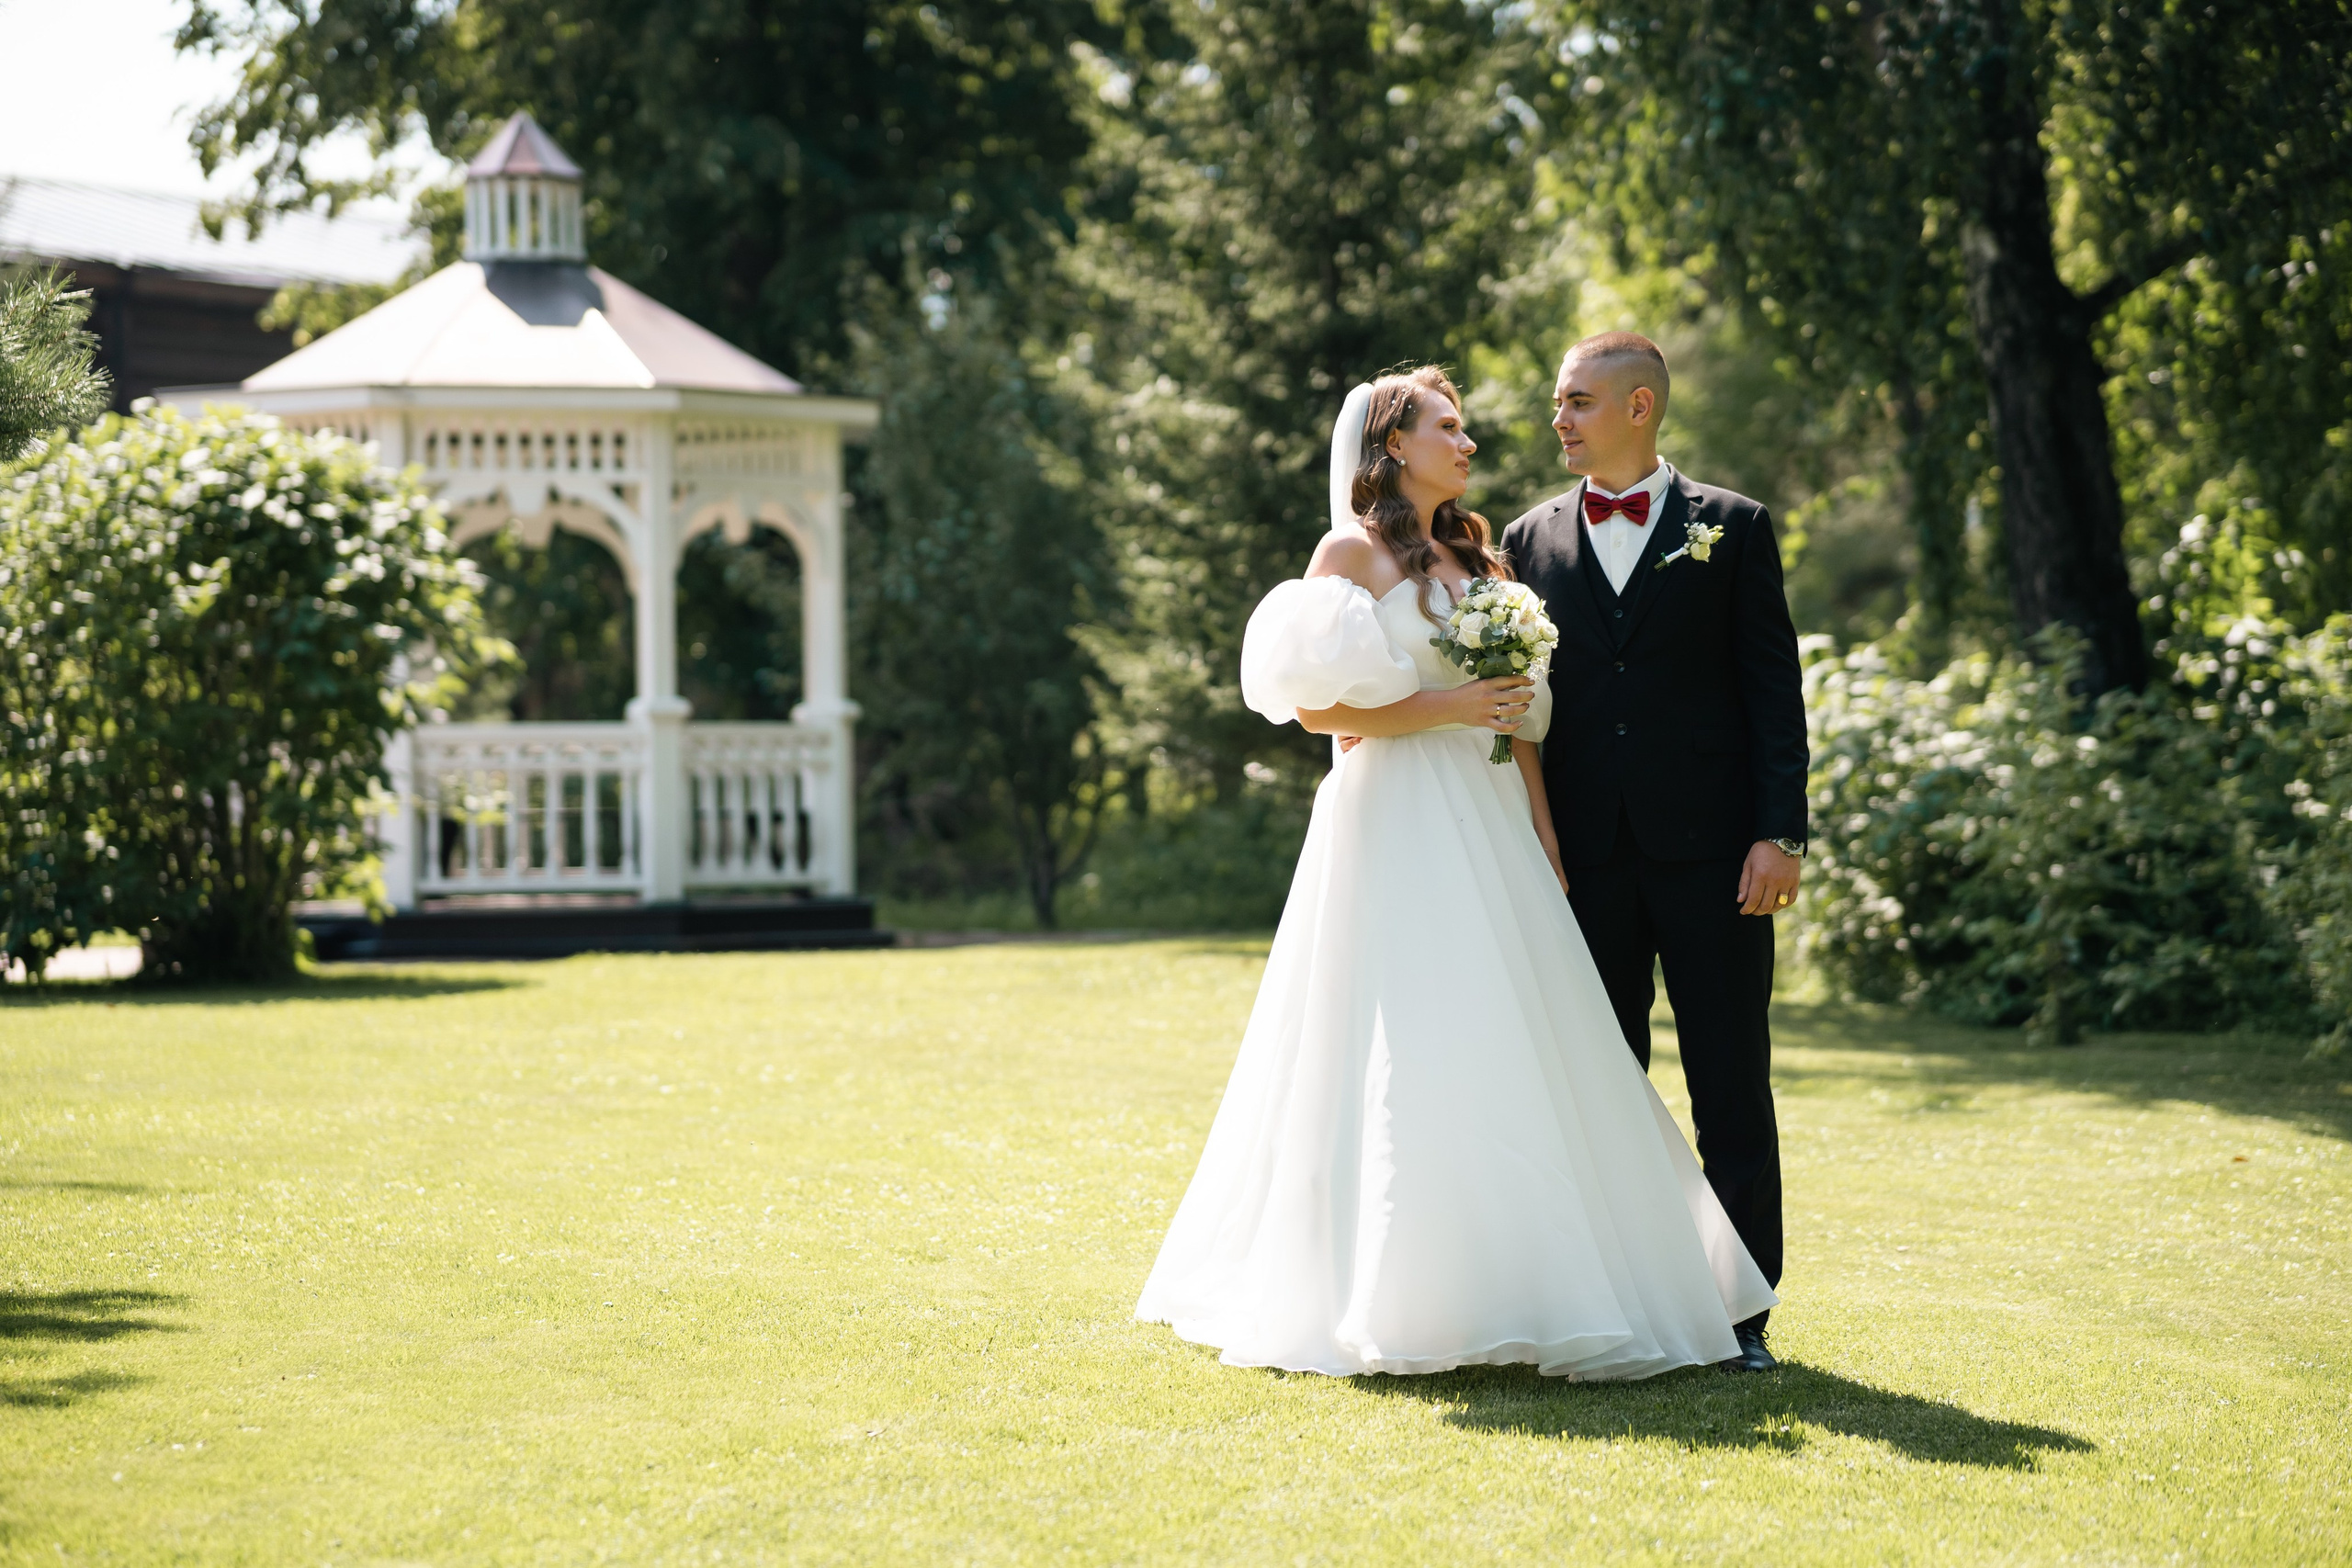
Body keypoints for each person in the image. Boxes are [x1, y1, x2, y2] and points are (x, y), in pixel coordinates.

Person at [1135, 366, 1777, 1381]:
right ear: (1394, 446)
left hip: (1488, 816)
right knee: (1411, 1043)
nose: (1467, 443)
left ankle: (1547, 1283)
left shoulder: (1480, 558)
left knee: (1517, 1041)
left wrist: (1543, 833)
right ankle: (1400, 1295)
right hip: (1396, 816)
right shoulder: (1350, 552)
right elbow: (1316, 714)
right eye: (1448, 426)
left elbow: (1514, 708)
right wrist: (1445, 711)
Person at [1500, 333, 1808, 1374]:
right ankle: (1620, 1298)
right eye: (1557, 401)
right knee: (1600, 1082)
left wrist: (1780, 833)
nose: (1560, 418)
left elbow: (1774, 691)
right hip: (1583, 865)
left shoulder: (1733, 527)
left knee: (1730, 1085)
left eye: (1577, 401)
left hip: (1719, 860)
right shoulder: (1525, 538)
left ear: (1639, 407)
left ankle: (1743, 1317)